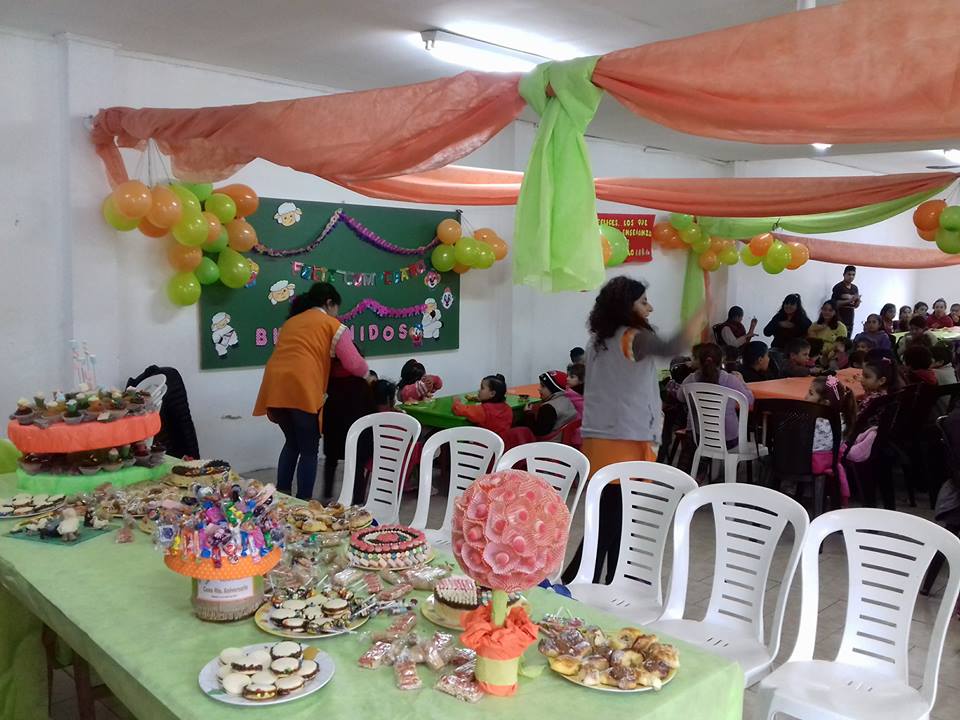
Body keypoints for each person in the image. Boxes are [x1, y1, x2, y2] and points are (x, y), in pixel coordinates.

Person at [562, 276, 702, 585]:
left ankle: (610, 582)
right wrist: (700, 314)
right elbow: (672, 346)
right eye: (643, 302)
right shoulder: (632, 338)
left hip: (602, 438)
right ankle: (574, 582)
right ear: (626, 306)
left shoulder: (599, 340)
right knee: (611, 521)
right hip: (623, 440)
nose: (650, 308)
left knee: (615, 518)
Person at [253, 282, 368, 500]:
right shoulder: (333, 325)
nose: (337, 313)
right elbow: (354, 364)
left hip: (275, 388)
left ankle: (282, 495)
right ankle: (303, 503)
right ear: (329, 303)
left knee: (292, 443)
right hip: (302, 389)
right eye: (336, 308)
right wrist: (368, 374)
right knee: (308, 449)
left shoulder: (292, 322)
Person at [321, 357, 375, 502]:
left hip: (333, 434)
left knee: (330, 462)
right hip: (357, 436)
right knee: (357, 465)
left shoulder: (327, 383)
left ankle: (327, 495)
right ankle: (358, 500)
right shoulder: (361, 384)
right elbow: (371, 412)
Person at [679, 343, 754, 448]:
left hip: (700, 438)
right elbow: (749, 400)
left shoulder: (690, 380)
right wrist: (742, 382)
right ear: (722, 359)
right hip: (728, 440)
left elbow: (680, 397)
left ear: (699, 360)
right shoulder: (730, 380)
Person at [806, 375, 856, 506]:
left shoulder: (815, 421)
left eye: (810, 393)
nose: (805, 397)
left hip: (807, 462)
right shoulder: (842, 418)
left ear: (825, 403)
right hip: (830, 461)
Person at [452, 374, 514, 439]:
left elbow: (458, 409)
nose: (479, 390)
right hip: (503, 442)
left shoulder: (483, 410)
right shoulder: (508, 409)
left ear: (492, 393)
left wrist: (456, 401)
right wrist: (480, 399)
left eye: (482, 388)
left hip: (484, 444)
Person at [526, 371, 578, 437]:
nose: (539, 389)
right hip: (568, 440)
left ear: (554, 389)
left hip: (551, 441)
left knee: (520, 431)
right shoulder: (573, 400)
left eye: (543, 386)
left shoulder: (548, 407)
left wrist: (528, 414)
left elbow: (538, 432)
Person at [831, 265, 861, 330]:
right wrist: (850, 300)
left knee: (848, 336)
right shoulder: (838, 287)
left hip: (850, 320)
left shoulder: (855, 288)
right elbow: (834, 304)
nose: (851, 277)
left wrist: (858, 301)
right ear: (844, 275)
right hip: (839, 319)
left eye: (853, 275)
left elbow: (855, 306)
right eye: (849, 274)